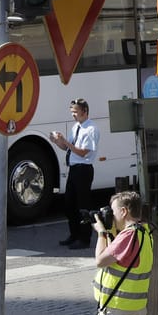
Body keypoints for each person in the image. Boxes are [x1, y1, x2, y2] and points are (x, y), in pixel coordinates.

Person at [52, 98, 99, 249]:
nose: (73, 115)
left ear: (84, 111)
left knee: (82, 206)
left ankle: (85, 239)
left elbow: (83, 152)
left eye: (75, 112)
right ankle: (74, 235)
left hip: (83, 169)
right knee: (69, 204)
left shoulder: (91, 129)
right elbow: (68, 149)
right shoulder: (76, 127)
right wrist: (57, 141)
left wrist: (65, 141)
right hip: (73, 169)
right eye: (72, 112)